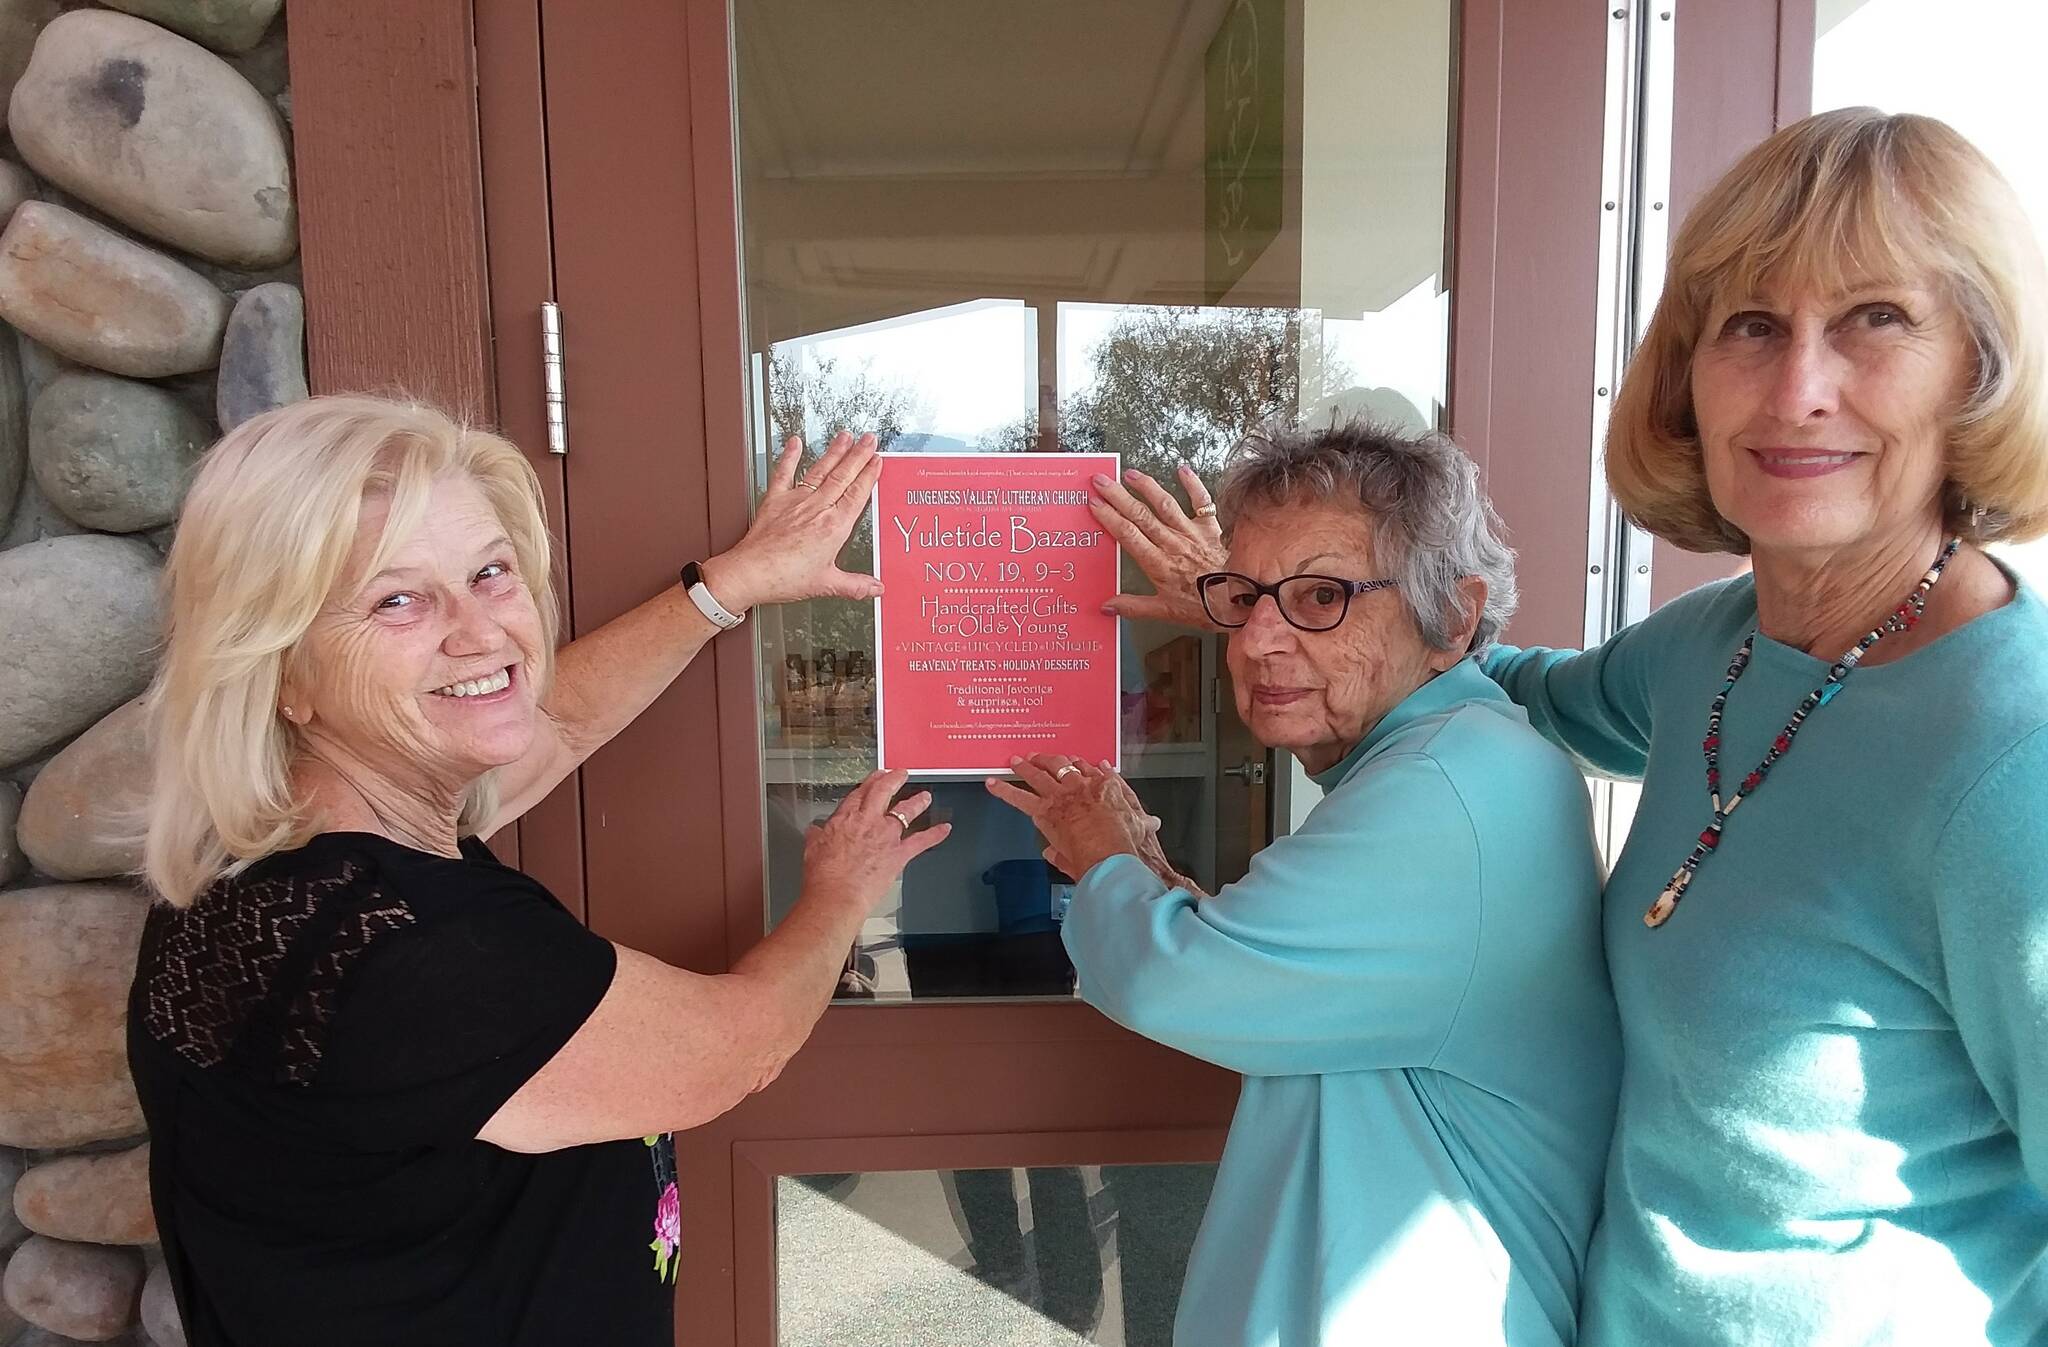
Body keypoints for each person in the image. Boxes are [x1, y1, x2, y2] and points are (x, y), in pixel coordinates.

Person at [1098, 109, 2048, 1345]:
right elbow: (1500, 676)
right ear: (1686, 376)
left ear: (1976, 367)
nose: (1797, 387)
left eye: (1875, 319)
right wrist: (1282, 608)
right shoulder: (1717, 644)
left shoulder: (2007, 761)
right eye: (1749, 325)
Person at [128, 398, 949, 1347]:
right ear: (284, 672)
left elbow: (557, 723)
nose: (482, 632)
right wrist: (842, 893)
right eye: (397, 598)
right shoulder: (419, 962)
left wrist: (731, 584)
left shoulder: (260, 870)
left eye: (489, 573)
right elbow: (740, 1046)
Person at [988, 422, 1619, 1346]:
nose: (1254, 642)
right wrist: (1150, 875)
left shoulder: (1442, 789)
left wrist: (1104, 855)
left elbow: (1180, 977)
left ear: (1453, 616)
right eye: (1243, 598)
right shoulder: (1452, 760)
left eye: (1322, 595)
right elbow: (1280, 972)